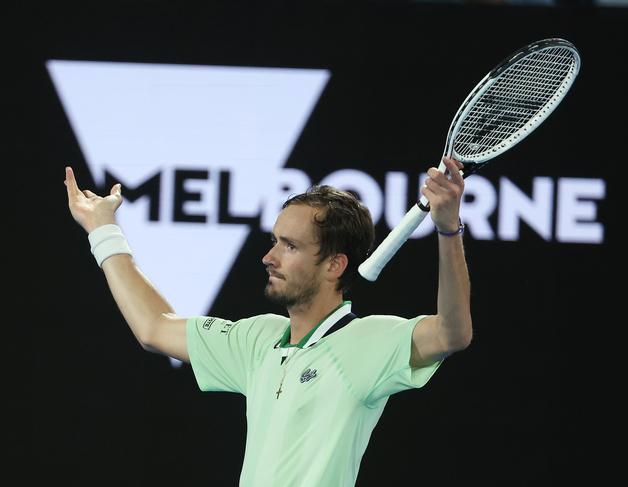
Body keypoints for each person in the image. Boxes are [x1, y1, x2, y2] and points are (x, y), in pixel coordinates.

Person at [64, 156, 472, 487]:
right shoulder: (256, 340)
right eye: (274, 241)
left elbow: (453, 332)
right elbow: (153, 327)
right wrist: (103, 229)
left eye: (289, 246)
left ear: (334, 265)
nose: (269, 257)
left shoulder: (370, 341)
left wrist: (448, 229)